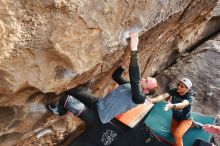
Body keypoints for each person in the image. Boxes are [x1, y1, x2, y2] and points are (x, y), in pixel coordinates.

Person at [47, 32, 158, 126]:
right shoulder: (130, 86)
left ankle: (60, 111)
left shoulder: (139, 99)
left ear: (146, 91)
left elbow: (135, 80)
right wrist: (123, 66)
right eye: (146, 78)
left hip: (97, 117)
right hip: (97, 103)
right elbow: (116, 77)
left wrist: (134, 49)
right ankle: (68, 108)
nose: (144, 79)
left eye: (146, 81)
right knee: (71, 90)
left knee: (67, 99)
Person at [150, 78, 194, 146]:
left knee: (177, 135)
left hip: (186, 119)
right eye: (178, 84)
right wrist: (152, 100)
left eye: (182, 86)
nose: (178, 86)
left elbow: (183, 104)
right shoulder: (175, 91)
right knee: (172, 133)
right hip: (175, 118)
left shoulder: (189, 96)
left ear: (187, 89)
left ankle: (193, 124)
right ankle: (190, 125)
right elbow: (163, 96)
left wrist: (172, 106)